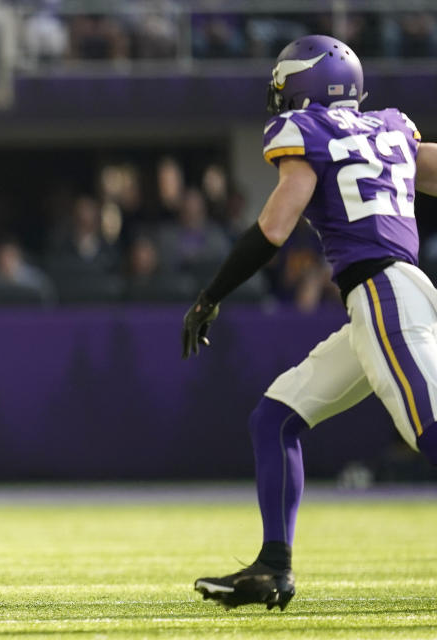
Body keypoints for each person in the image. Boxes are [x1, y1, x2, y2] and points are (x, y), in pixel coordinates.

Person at [182, 35, 437, 610]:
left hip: (382, 296)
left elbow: (276, 226)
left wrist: (210, 294)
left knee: (431, 429)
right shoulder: (392, 126)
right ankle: (273, 566)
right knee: (274, 417)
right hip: (385, 298)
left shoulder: (309, 132)